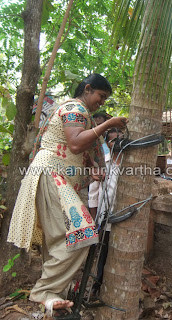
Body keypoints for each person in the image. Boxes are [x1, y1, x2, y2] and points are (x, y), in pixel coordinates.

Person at [7, 74, 128, 315]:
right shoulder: (75, 107)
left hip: (54, 176)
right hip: (51, 174)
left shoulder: (80, 113)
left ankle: (54, 301)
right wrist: (108, 124)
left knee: (58, 242)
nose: (101, 102)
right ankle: (44, 291)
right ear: (87, 89)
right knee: (81, 235)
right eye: (101, 96)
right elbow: (74, 144)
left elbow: (73, 157)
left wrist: (88, 174)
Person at [88, 128, 123, 294]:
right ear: (107, 144)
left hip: (124, 217)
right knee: (103, 251)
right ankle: (98, 285)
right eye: (114, 140)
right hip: (105, 216)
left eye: (121, 139)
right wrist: (94, 219)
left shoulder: (130, 164)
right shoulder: (102, 164)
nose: (117, 143)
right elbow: (93, 194)